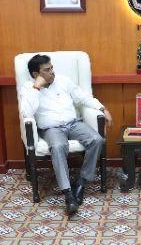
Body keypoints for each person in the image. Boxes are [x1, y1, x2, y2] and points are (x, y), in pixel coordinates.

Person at [18, 54, 109, 218]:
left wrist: (102, 108)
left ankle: (81, 183)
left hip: (73, 123)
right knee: (59, 146)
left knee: (97, 140)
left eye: (52, 68)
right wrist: (36, 88)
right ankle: (68, 194)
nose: (52, 72)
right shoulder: (28, 88)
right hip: (51, 128)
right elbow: (27, 113)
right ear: (35, 74)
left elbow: (83, 97)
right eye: (47, 70)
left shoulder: (63, 80)